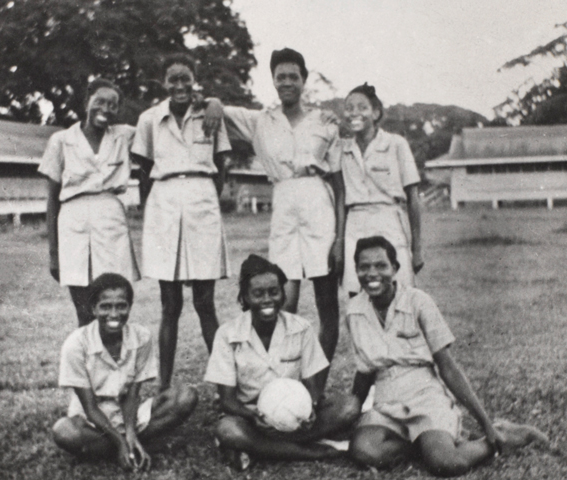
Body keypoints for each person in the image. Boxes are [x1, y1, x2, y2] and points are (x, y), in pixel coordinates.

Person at [347, 236, 549, 477]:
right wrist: (350, 416)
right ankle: (423, 444)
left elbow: (448, 368)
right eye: (364, 266)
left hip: (425, 393)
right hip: (385, 400)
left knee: (448, 463)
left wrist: (484, 422)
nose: (372, 273)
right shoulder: (354, 310)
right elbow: (365, 370)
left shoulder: (418, 302)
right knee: (364, 451)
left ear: (395, 269)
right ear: (356, 270)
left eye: (380, 265)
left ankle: (503, 434)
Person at [206, 48, 344, 365]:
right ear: (273, 81)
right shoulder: (260, 121)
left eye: (293, 76)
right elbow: (221, 110)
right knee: (283, 299)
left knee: (327, 303)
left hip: (317, 205)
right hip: (283, 203)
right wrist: (214, 101)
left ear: (303, 80)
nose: (286, 82)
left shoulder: (324, 122)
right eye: (280, 77)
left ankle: (316, 383)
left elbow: (340, 187)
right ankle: (282, 377)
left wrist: (339, 238)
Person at [131, 53, 232, 390]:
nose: (179, 86)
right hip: (165, 203)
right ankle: (163, 387)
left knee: (205, 302)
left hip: (202, 201)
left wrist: (202, 196)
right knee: (169, 304)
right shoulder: (149, 119)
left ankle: (225, 383)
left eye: (185, 78)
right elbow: (144, 170)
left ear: (194, 79)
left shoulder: (211, 114)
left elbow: (222, 164)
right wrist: (161, 203)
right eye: (172, 79)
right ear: (163, 83)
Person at [205, 254, 360, 470]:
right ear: (245, 297)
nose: (267, 299)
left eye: (274, 291)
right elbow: (227, 401)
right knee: (227, 430)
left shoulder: (301, 328)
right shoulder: (227, 334)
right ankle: (307, 451)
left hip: (295, 418)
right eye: (258, 294)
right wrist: (255, 416)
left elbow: (314, 387)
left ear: (283, 293)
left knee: (349, 407)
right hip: (251, 419)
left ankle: (261, 449)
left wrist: (311, 408)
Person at [52, 273, 198, 472]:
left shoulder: (140, 337)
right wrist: (121, 442)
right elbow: (90, 408)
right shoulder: (76, 344)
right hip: (92, 420)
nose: (114, 314)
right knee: (64, 431)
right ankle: (130, 447)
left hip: (128, 415)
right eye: (105, 306)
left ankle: (125, 445)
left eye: (121, 306)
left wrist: (129, 432)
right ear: (93, 308)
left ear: (130, 306)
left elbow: (132, 394)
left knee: (185, 396)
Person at [39, 78, 140, 326]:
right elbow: (52, 199)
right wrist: (54, 254)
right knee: (84, 310)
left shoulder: (124, 136)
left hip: (110, 221)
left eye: (112, 105)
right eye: (99, 102)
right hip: (73, 222)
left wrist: (211, 103)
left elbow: (157, 129)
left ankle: (116, 361)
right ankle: (88, 362)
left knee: (115, 305)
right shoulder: (61, 140)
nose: (106, 109)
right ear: (86, 102)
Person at [340, 83, 423, 295]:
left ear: (376, 113)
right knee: (356, 293)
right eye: (349, 108)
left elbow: (413, 198)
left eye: (362, 107)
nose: (354, 113)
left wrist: (417, 248)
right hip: (355, 224)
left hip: (390, 221)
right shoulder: (342, 149)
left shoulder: (396, 144)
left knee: (398, 292)